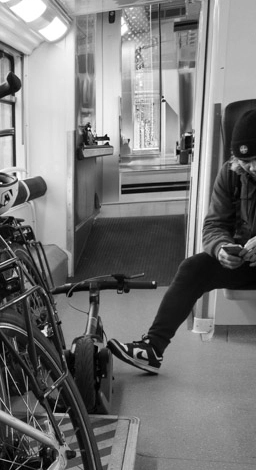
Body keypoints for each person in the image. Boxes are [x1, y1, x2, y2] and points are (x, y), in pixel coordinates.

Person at [108, 108, 256, 373]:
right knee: (194, 267)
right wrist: (221, 249)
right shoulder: (231, 173)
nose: (253, 167)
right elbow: (214, 225)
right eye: (246, 161)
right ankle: (152, 348)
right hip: (249, 262)